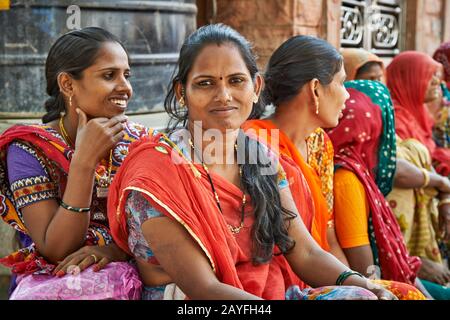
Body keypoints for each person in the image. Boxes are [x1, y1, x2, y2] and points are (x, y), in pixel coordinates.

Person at [107, 24, 397, 300]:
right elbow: (204, 288)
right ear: (182, 92)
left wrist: (363, 284)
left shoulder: (260, 155)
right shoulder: (155, 173)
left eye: (236, 81)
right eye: (205, 83)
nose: (224, 96)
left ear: (256, 86)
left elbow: (305, 252)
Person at [243, 36, 424, 300]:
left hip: (317, 269)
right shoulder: (256, 144)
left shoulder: (319, 143)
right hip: (272, 282)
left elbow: (328, 234)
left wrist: (354, 284)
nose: (348, 94)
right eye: (341, 82)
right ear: (316, 89)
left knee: (405, 293)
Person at [0, 27, 147, 299]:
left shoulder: (142, 142)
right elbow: (57, 249)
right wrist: (84, 162)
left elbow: (167, 228)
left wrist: (117, 251)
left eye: (126, 75)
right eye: (108, 75)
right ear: (68, 84)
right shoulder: (29, 148)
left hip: (138, 267)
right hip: (58, 281)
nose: (126, 87)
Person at [329, 79, 450, 299]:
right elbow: (366, 271)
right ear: (375, 126)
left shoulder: (357, 168)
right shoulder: (347, 178)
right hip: (372, 284)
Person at [386, 51, 450, 177]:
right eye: (427, 75)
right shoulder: (397, 121)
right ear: (408, 80)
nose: (436, 81)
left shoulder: (417, 112)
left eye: (435, 75)